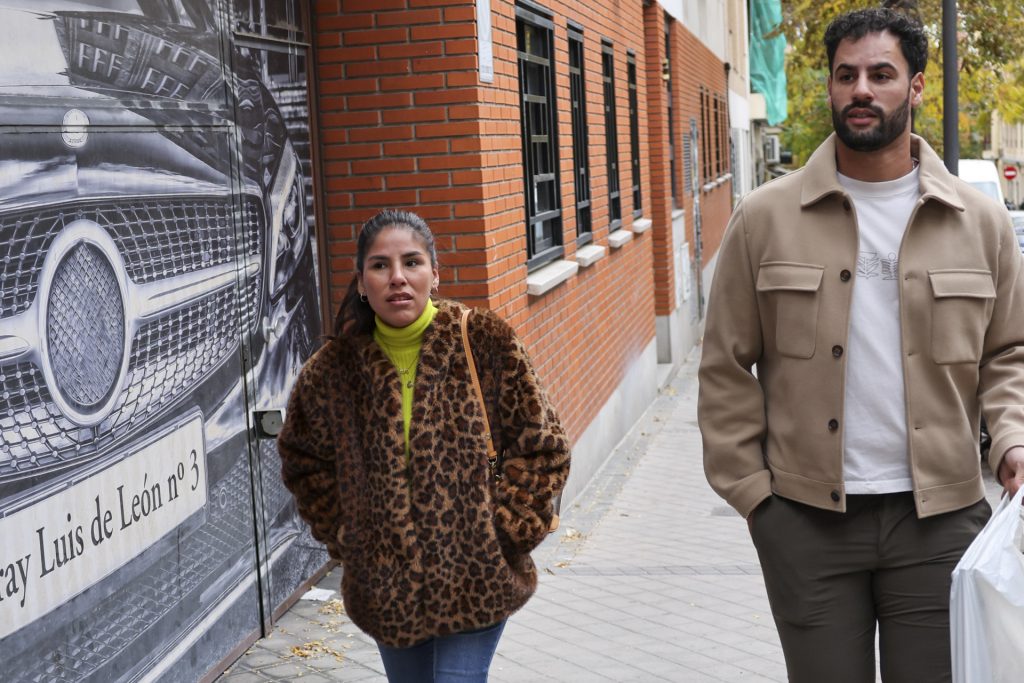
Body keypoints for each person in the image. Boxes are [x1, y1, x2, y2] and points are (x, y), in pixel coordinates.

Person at [698, 8, 1024, 682]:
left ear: (917, 86)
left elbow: (1009, 354)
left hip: (941, 521)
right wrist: (757, 500)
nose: (862, 90)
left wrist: (1013, 440)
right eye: (846, 75)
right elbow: (724, 363)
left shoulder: (981, 223)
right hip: (806, 523)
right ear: (830, 87)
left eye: (881, 73)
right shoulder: (764, 219)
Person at [277, 209, 570, 682]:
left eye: (411, 262)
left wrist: (503, 531)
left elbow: (543, 447)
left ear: (435, 274)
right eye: (380, 266)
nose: (397, 277)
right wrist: (351, 538)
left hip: (477, 579)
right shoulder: (332, 370)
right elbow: (303, 460)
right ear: (362, 283)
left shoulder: (484, 341)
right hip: (388, 591)